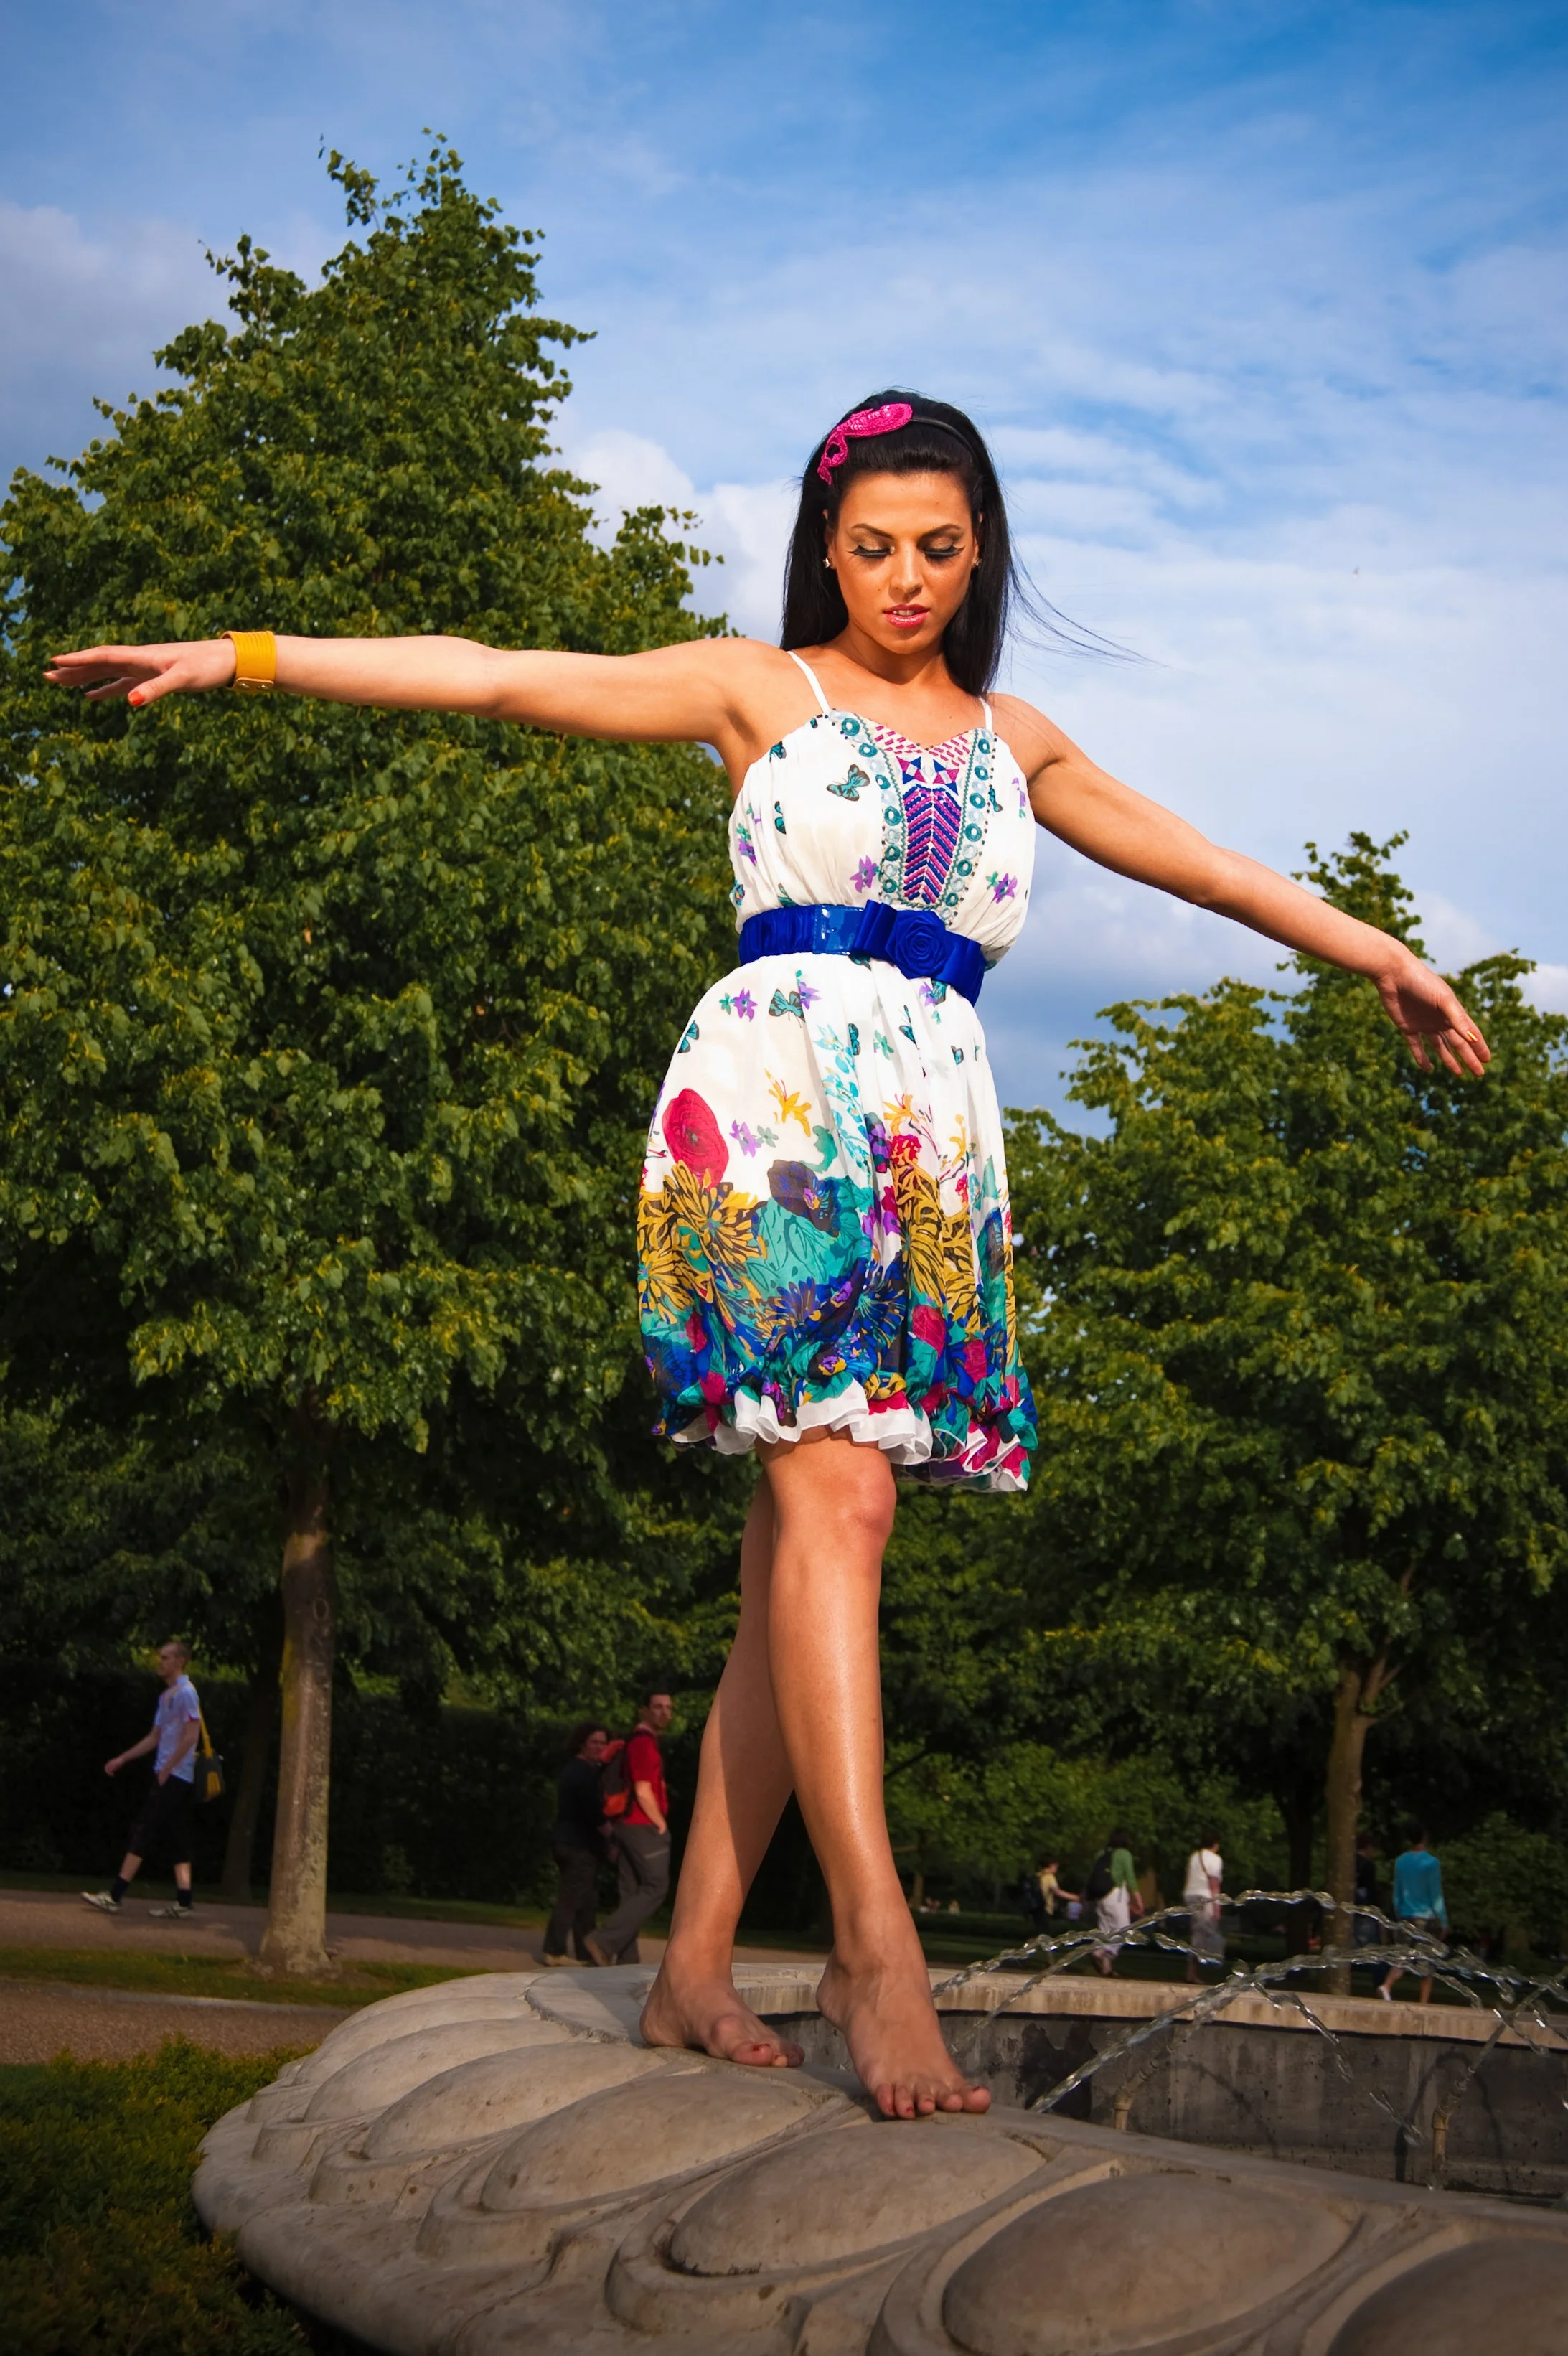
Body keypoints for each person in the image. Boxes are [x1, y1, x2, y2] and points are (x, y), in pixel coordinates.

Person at [47, 393, 1489, 2118]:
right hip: (780, 1113)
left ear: (981, 551)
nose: (902, 578)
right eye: (870, 544)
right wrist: (249, 653)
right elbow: (504, 669)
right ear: (826, 543)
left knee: (786, 1567)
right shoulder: (759, 688)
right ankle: (877, 1948)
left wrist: (1380, 955)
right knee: (842, 1504)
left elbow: (1218, 873)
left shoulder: (1016, 739)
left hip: (931, 1143)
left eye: (937, 548)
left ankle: (692, 1966)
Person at [81, 1641, 203, 1918]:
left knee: (143, 1829)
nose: (160, 1662)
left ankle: (115, 1896)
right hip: (170, 1774)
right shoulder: (167, 1696)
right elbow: (155, 1737)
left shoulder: (186, 1693)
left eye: (166, 1657)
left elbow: (191, 1737)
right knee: (177, 1835)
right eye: (160, 1657)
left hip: (174, 1776)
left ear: (180, 1661)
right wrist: (123, 1758)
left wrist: (168, 1767)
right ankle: (184, 1902)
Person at [587, 1689, 673, 1966]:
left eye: (668, 1708)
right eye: (657, 1707)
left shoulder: (635, 1742)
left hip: (625, 1825)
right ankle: (602, 1941)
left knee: (631, 1890)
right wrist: (661, 1824)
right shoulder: (643, 1744)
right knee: (656, 1886)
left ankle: (624, 1962)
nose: (664, 1712)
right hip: (642, 1825)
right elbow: (643, 1789)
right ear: (644, 1710)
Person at [543, 1720, 610, 1966]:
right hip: (576, 1844)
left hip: (579, 1844)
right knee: (572, 1897)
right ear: (582, 1744)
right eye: (594, 1742)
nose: (599, 1747)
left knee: (587, 1900)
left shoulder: (586, 1771)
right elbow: (592, 1812)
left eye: (603, 1743)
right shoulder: (581, 1773)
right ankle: (554, 1950)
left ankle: (586, 1952)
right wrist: (611, 1835)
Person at [1379, 1824, 1449, 2004]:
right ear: (1425, 1838)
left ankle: (1387, 1985)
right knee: (1426, 1961)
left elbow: (1398, 1892)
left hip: (1406, 1915)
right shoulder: (1431, 1863)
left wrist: (1399, 1912)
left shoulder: (1401, 1861)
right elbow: (1435, 1894)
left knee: (1403, 1955)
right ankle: (1424, 2002)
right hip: (1426, 1917)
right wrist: (1443, 1919)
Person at [1089, 1829, 1143, 1976]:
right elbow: (1130, 1878)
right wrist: (1138, 1900)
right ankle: (1099, 1952)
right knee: (1124, 1929)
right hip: (1115, 1894)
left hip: (1100, 1897)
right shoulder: (1124, 1854)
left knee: (1106, 1931)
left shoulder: (1101, 1854)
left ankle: (1107, 1969)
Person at [1183, 1832, 1225, 1982]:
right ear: (1216, 1844)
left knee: (1197, 1932)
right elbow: (1214, 1884)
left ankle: (1192, 1971)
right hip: (1205, 1897)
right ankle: (1212, 1958)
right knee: (1208, 1930)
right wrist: (1217, 1906)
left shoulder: (1195, 1856)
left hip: (1190, 1894)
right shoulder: (1216, 1859)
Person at [1353, 1831, 1382, 1949]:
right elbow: (1371, 1890)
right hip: (1366, 1910)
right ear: (1369, 1847)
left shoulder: (1349, 1862)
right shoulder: (1368, 1865)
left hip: (1352, 1908)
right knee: (1369, 1946)